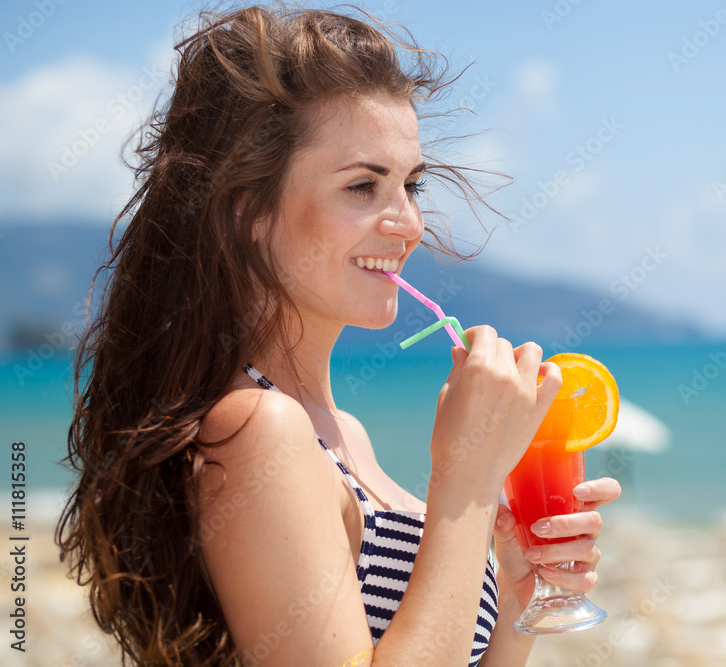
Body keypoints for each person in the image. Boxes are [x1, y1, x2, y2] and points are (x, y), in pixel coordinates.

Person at [56, 6, 621, 665]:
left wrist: (516, 607)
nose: (408, 223)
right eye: (363, 185)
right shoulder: (257, 432)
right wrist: (466, 480)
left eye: (411, 184)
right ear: (248, 212)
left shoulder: (343, 435)